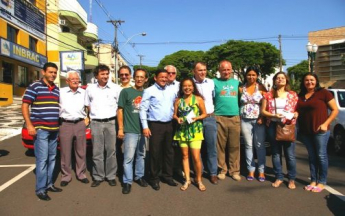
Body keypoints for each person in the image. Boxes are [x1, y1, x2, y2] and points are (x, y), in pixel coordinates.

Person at [22, 62, 62, 201]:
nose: (53, 75)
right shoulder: (35, 86)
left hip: (54, 130)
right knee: (42, 159)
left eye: (55, 72)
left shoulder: (56, 89)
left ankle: (49, 184)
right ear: (43, 72)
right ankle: (40, 189)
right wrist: (29, 125)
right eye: (50, 72)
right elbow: (25, 105)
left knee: (52, 158)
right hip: (41, 130)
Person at [297, 73, 338, 193]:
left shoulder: (324, 93)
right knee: (312, 156)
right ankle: (313, 180)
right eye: (306, 80)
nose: (309, 82)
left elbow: (335, 110)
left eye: (312, 80)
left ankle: (322, 182)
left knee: (321, 155)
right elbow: (298, 110)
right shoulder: (300, 95)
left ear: (316, 81)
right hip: (306, 131)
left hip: (320, 130)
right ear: (303, 82)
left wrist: (326, 123)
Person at [140, 69, 178, 190]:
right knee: (155, 153)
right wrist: (145, 126)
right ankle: (154, 178)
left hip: (169, 124)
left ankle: (167, 176)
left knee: (169, 152)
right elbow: (143, 109)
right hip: (155, 125)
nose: (164, 79)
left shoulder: (172, 90)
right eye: (161, 77)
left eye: (166, 77)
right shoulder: (149, 91)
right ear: (155, 78)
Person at [85, 64, 122, 187]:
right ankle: (98, 176)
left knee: (111, 151)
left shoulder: (116, 88)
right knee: (97, 151)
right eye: (102, 74)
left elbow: (119, 108)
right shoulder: (90, 89)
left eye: (107, 74)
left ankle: (111, 176)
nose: (105, 76)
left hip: (111, 122)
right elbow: (87, 105)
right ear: (96, 76)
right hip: (95, 123)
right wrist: (89, 117)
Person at [261, 72, 298, 189]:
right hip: (273, 125)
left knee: (290, 154)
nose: (280, 80)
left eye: (282, 78)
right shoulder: (268, 95)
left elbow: (297, 110)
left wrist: (296, 113)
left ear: (286, 80)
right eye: (278, 78)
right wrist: (274, 115)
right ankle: (279, 177)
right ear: (275, 81)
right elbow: (263, 111)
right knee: (276, 153)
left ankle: (291, 179)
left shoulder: (292, 95)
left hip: (288, 126)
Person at [117, 68, 149, 194]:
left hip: (143, 130)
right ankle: (127, 181)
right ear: (133, 78)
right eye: (137, 76)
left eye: (142, 77)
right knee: (128, 157)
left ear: (146, 79)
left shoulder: (147, 93)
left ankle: (139, 176)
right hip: (130, 130)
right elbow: (120, 110)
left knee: (141, 155)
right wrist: (121, 128)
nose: (139, 79)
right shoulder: (126, 92)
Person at [173, 78, 207, 191]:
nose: (187, 88)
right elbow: (174, 115)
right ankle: (187, 179)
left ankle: (199, 179)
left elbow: (204, 114)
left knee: (196, 157)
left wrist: (196, 117)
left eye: (190, 86)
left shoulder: (198, 99)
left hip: (195, 131)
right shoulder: (178, 100)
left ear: (193, 87)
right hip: (182, 132)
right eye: (185, 86)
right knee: (185, 156)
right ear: (182, 88)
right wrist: (177, 119)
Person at [59, 71, 89, 187]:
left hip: (80, 123)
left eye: (77, 79)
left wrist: (89, 118)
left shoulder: (83, 92)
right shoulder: (61, 92)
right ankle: (66, 176)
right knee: (65, 152)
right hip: (65, 124)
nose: (76, 81)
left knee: (81, 151)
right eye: (73, 79)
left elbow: (89, 106)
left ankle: (81, 174)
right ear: (67, 81)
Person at [213, 60, 241, 181]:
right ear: (219, 70)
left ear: (231, 69)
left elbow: (242, 99)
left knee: (234, 145)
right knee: (220, 146)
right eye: (223, 69)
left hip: (234, 117)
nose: (226, 72)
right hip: (219, 117)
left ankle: (234, 170)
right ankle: (222, 169)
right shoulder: (214, 82)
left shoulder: (237, 83)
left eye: (228, 69)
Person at [192, 62, 218, 185]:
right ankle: (199, 172)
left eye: (204, 70)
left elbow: (215, 97)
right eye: (200, 70)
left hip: (209, 118)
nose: (202, 72)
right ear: (194, 71)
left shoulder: (211, 83)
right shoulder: (189, 84)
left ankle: (213, 173)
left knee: (211, 147)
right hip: (195, 120)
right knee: (197, 148)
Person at [239, 67, 267, 182]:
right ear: (246, 76)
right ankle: (250, 169)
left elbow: (266, 104)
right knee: (248, 145)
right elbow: (238, 103)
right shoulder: (241, 88)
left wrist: (262, 117)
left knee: (259, 145)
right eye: (249, 75)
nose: (251, 77)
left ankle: (261, 171)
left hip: (258, 120)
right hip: (245, 120)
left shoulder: (261, 88)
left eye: (254, 75)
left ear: (257, 76)